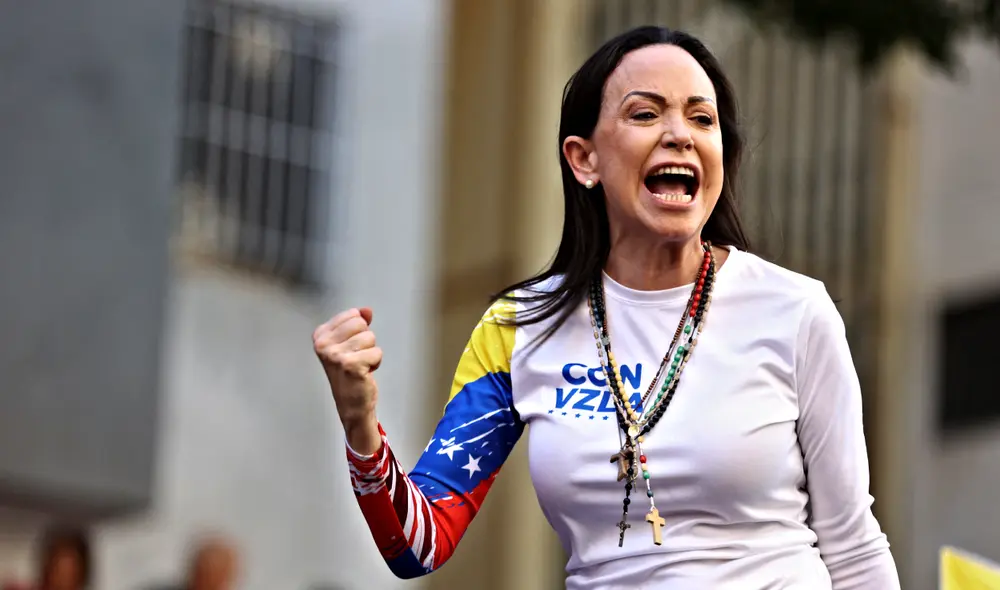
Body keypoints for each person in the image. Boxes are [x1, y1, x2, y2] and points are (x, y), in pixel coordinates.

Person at [313, 26, 901, 589]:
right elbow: (417, 546)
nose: (680, 134)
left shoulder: (794, 311)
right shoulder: (519, 326)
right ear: (584, 160)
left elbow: (852, 546)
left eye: (702, 118)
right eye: (645, 114)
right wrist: (360, 421)